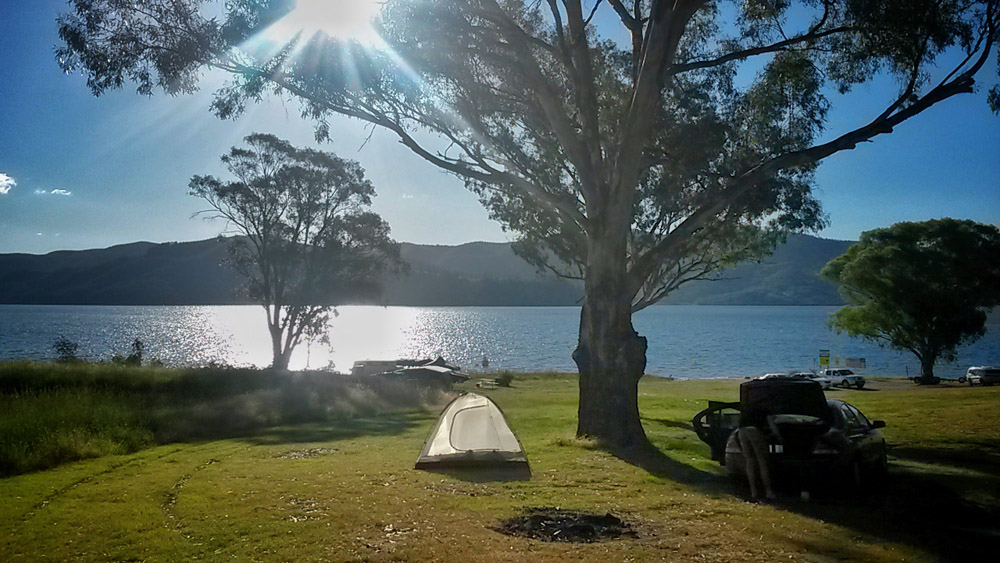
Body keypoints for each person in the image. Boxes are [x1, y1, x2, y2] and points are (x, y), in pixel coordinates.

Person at [738, 426, 776, 501]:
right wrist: (776, 433)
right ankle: (768, 491)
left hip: (742, 430)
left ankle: (753, 491)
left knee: (749, 460)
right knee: (762, 461)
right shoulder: (761, 414)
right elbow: (770, 421)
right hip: (754, 429)